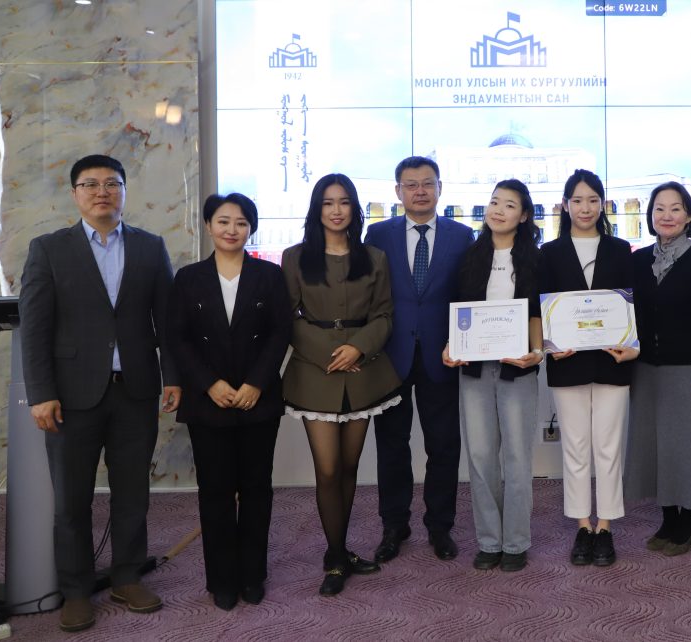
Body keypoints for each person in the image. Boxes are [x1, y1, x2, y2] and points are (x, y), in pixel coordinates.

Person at [19, 154, 180, 632]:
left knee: (133, 493)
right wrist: (41, 392)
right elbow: (35, 329)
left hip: (135, 390)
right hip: (70, 397)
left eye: (112, 183)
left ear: (125, 191)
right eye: (90, 184)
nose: (102, 192)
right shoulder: (49, 249)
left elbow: (167, 321)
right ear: (75, 194)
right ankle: (76, 589)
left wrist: (172, 376)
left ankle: (127, 577)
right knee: (72, 500)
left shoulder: (150, 247)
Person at [165, 193, 291, 609]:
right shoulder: (188, 278)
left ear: (250, 228)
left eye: (240, 222)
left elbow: (280, 333)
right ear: (208, 226)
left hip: (259, 400)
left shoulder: (269, 275)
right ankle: (221, 579)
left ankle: (253, 575)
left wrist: (256, 383)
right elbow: (178, 338)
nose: (231, 230)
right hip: (208, 401)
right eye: (223, 221)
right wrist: (208, 384)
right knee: (215, 492)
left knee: (256, 490)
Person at [281, 173, 402, 595]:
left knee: (350, 467)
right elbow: (288, 317)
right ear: (317, 209)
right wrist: (331, 353)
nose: (336, 210)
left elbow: (384, 315)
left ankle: (340, 550)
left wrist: (358, 348)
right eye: (328, 202)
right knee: (328, 469)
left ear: (354, 208)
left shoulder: (374, 257)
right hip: (315, 372)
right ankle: (334, 557)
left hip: (364, 370)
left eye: (344, 202)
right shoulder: (295, 257)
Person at [366, 157, 474, 564]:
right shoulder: (378, 234)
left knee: (443, 445)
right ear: (398, 191)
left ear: (440, 188)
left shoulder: (462, 236)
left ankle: (440, 526)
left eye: (428, 183)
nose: (420, 191)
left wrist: (458, 342)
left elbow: (468, 295)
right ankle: (394, 525)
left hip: (442, 355)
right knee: (392, 445)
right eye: (411, 185)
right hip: (390, 356)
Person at [441, 179, 544, 572]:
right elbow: (459, 313)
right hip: (474, 370)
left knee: (517, 457)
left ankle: (515, 543)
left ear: (524, 215)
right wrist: (451, 346)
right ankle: (489, 540)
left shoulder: (535, 260)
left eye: (509, 205)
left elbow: (536, 314)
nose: (499, 210)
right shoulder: (470, 256)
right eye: (494, 202)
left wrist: (537, 353)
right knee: (481, 457)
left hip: (518, 369)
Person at [538, 169, 639, 567]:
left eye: (593, 200)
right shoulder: (549, 253)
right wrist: (549, 345)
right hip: (568, 364)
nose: (585, 208)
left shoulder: (621, 249)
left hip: (614, 361)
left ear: (602, 204)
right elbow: (542, 308)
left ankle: (606, 527)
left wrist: (632, 347)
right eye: (577, 200)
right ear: (565, 205)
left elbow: (631, 307)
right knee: (576, 447)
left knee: (609, 448)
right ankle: (583, 525)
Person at [625, 181, 691, 557]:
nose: (666, 215)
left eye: (675, 208)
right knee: (655, 447)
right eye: (659, 208)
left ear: (688, 216)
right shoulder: (638, 260)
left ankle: (687, 521)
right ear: (650, 215)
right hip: (646, 369)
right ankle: (668, 518)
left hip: (689, 369)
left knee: (686, 448)